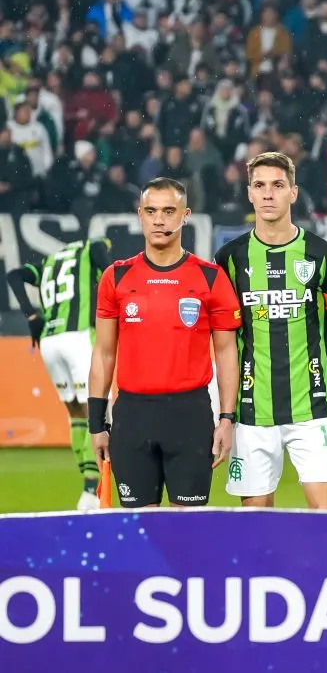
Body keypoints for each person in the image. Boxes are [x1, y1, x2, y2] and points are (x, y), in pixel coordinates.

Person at [215, 152, 327, 510]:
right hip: (252, 412)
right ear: (249, 193)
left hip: (312, 409)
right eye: (259, 186)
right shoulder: (230, 258)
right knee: (255, 527)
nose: (268, 194)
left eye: (277, 186)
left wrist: (319, 368)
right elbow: (224, 336)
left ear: (293, 193)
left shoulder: (321, 254)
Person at [88, 177, 241, 508]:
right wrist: (95, 424)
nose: (159, 220)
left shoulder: (210, 277)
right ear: (139, 214)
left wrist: (227, 418)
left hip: (190, 415)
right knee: (140, 530)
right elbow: (103, 354)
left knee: (187, 531)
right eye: (151, 211)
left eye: (169, 211)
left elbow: (228, 352)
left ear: (185, 215)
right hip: (131, 416)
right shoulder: (115, 277)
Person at [6, 237, 112, 510]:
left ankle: (87, 487)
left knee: (75, 413)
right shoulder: (93, 247)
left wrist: (31, 315)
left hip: (50, 340)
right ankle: (98, 489)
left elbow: (14, 275)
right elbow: (109, 270)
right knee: (96, 410)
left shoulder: (50, 262)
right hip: (78, 337)